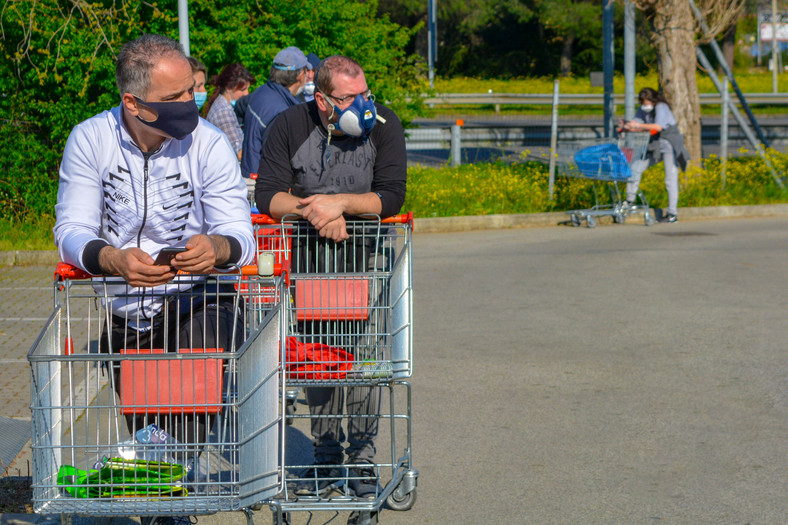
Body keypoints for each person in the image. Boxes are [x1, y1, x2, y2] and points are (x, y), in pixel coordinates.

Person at [54, 33, 255, 525]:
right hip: (124, 303)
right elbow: (71, 229)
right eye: (176, 97)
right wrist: (111, 258)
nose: (191, 103)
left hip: (198, 297)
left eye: (192, 91)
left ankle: (169, 505)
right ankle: (160, 500)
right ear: (134, 103)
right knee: (146, 422)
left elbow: (239, 231)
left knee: (187, 402)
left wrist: (217, 249)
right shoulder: (90, 139)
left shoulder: (207, 142)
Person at [255, 55, 406, 519]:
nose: (361, 103)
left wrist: (340, 203)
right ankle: (324, 454)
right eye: (348, 97)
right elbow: (269, 195)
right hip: (309, 266)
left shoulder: (383, 124)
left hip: (367, 264)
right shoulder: (289, 124)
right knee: (318, 356)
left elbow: (392, 194)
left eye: (364, 92)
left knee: (362, 357)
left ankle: (360, 457)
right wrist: (314, 212)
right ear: (321, 100)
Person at [619, 87, 689, 223]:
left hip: (669, 144)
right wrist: (627, 126)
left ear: (653, 101)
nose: (645, 106)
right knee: (636, 168)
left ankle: (672, 213)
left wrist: (637, 126)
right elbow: (637, 123)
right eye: (643, 103)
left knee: (670, 179)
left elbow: (657, 127)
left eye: (647, 103)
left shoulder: (661, 107)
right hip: (655, 145)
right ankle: (629, 200)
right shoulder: (642, 109)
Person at [240, 46, 311, 179]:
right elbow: (276, 159)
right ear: (301, 75)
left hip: (250, 172)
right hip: (262, 183)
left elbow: (239, 107)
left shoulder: (262, 91)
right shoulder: (281, 112)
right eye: (306, 71)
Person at [204, 63, 255, 160]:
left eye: (248, 89)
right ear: (228, 88)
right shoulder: (223, 112)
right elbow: (239, 153)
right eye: (242, 89)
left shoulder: (223, 105)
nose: (247, 93)